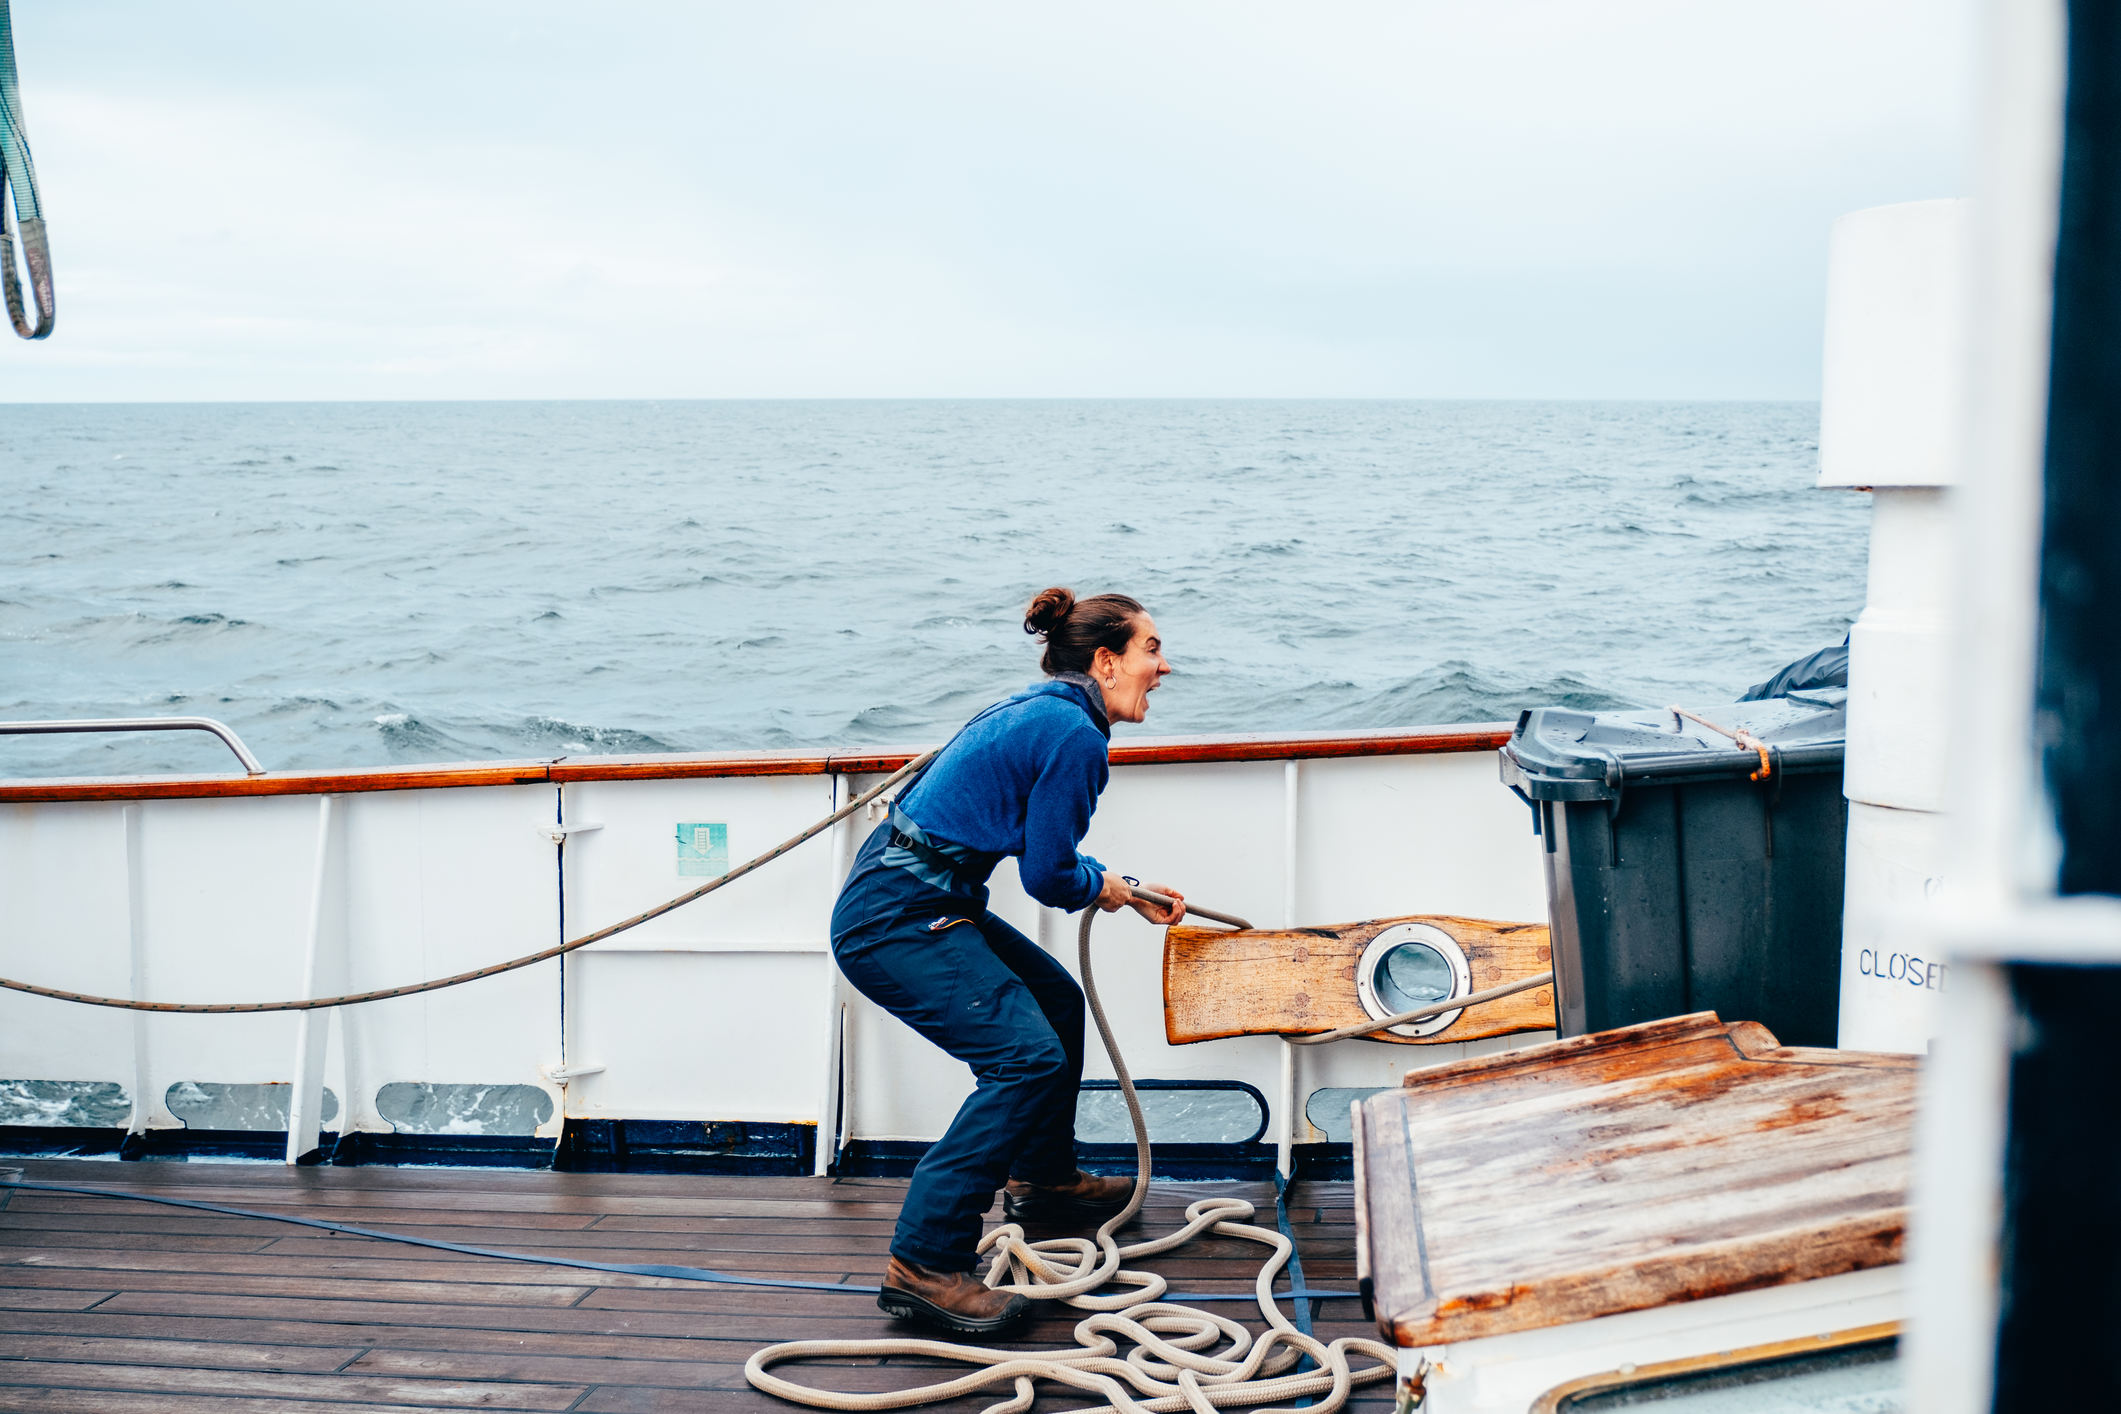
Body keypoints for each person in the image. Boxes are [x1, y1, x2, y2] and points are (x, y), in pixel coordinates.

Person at [828, 587, 1187, 1335]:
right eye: (1151, 650)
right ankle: (923, 1263)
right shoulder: (1075, 736)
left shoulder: (1045, 708)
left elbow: (1049, 857)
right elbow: (1049, 878)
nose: (1163, 666)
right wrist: (1109, 888)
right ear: (1104, 659)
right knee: (1023, 1060)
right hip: (892, 919)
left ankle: (1044, 1182)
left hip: (921, 899)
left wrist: (1122, 888)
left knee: (1054, 1002)